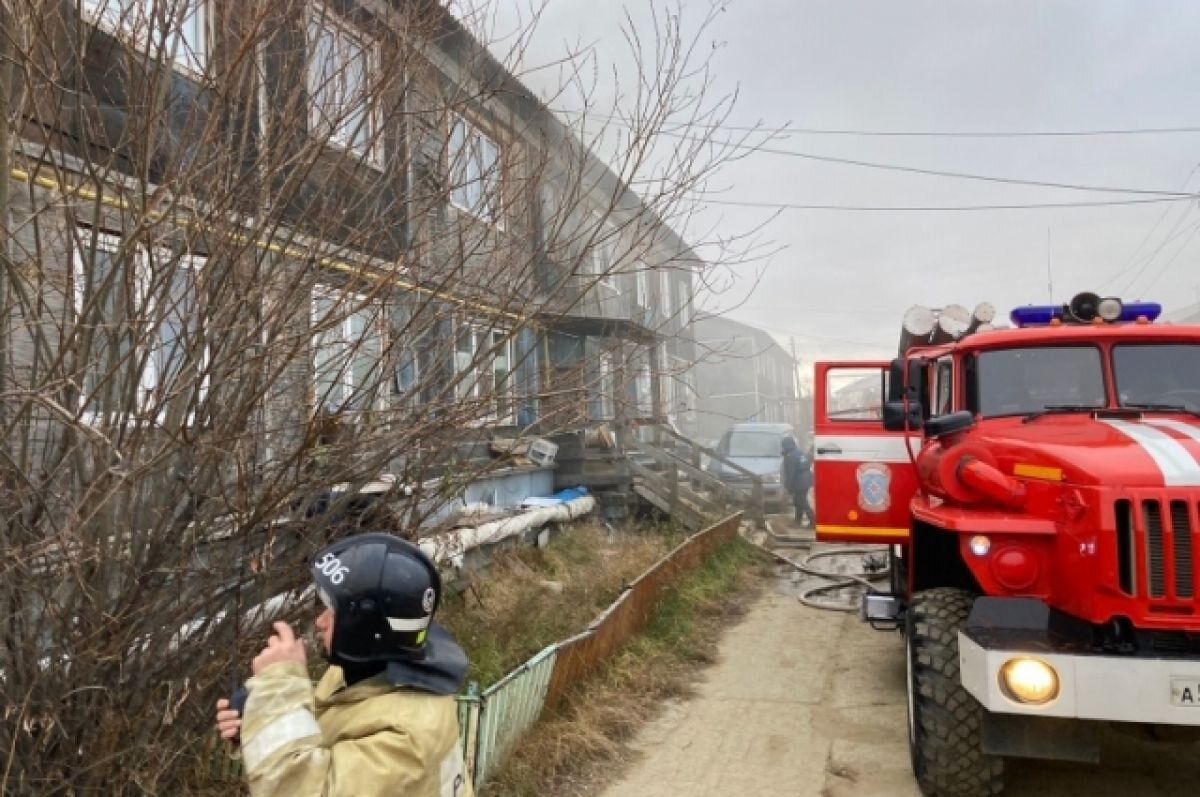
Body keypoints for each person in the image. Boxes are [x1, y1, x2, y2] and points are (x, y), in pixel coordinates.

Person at [215, 532, 473, 797]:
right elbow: (321, 744)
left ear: (367, 628)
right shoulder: (363, 678)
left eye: (334, 611)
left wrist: (278, 686)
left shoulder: (408, 735)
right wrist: (261, 721)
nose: (320, 621)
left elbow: (307, 790)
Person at [781, 436, 814, 527]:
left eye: (783, 446)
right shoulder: (799, 452)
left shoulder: (790, 456)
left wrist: (789, 487)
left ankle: (813, 520)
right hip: (807, 478)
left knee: (801, 501)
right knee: (798, 500)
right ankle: (797, 520)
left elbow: (790, 474)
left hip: (799, 481)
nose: (782, 448)